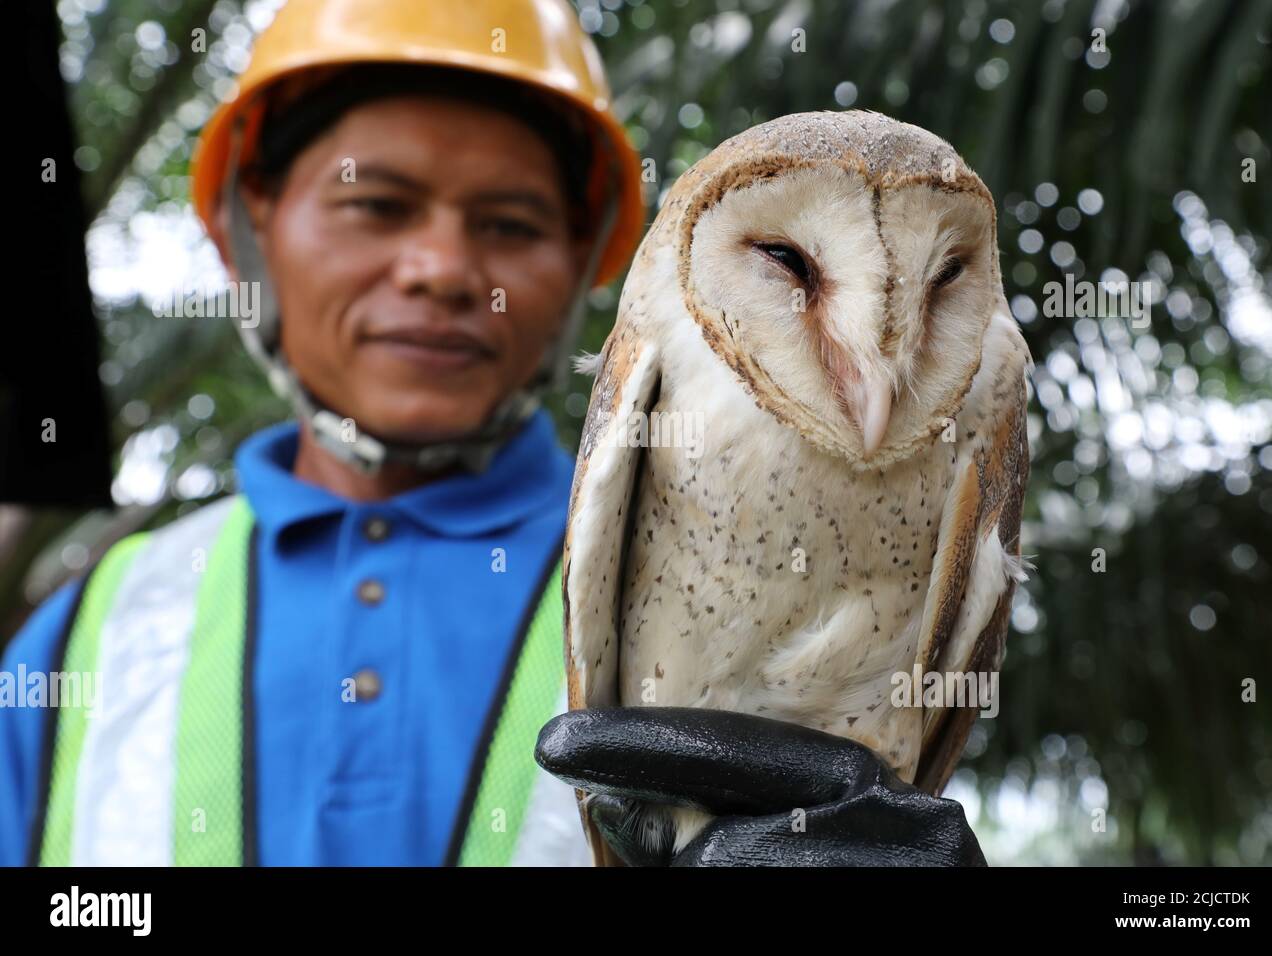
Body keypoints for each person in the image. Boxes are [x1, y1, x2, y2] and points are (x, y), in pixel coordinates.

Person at [1, 0, 985, 867]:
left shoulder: (758, 575)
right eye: (375, 204)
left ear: (589, 266)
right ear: (247, 231)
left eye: (509, 223)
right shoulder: (90, 632)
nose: (441, 267)